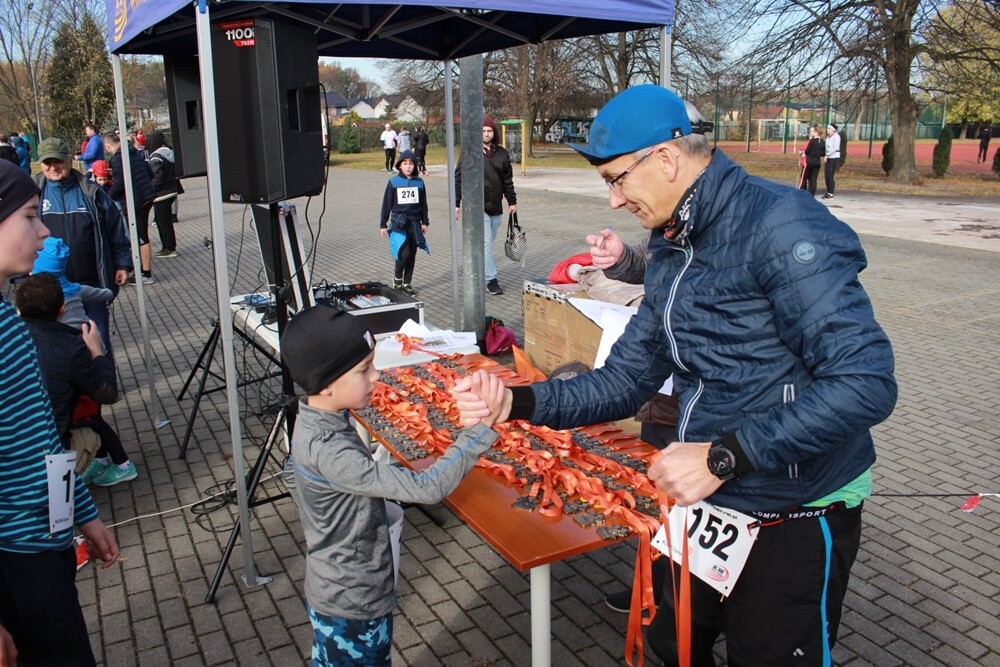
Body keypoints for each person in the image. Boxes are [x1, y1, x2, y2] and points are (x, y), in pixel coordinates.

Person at [454, 84, 897, 667]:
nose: (614, 201)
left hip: (793, 504)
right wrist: (516, 404)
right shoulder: (671, 241)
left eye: (616, 180)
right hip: (706, 498)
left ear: (664, 159)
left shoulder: (784, 225)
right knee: (674, 644)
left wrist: (723, 457)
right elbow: (625, 380)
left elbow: (865, 383)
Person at [279, 304, 505, 666]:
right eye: (363, 370)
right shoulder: (331, 452)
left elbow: (292, 472)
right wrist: (481, 430)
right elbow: (427, 488)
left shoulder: (313, 421)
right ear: (326, 384)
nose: (376, 376)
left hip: (334, 588)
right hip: (353, 603)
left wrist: (330, 513)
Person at [0, 158, 120, 666]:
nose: (45, 229)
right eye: (30, 216)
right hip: (14, 564)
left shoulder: (8, 316)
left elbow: (42, 438)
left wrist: (82, 514)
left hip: (47, 546)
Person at [32, 138, 132, 359]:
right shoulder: (33, 194)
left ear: (69, 160)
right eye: (47, 163)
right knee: (58, 350)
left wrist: (122, 263)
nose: (53, 167)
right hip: (50, 289)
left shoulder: (91, 192)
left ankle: (105, 380)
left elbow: (116, 229)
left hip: (91, 283)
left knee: (98, 342)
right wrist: (19, 278)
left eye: (58, 161)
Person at [454, 115, 518, 296]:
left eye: (489, 130)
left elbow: (507, 180)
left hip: (496, 206)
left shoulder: (502, 153)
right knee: (486, 245)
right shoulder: (470, 152)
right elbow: (459, 177)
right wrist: (457, 202)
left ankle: (472, 266)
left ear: (494, 133)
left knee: (485, 244)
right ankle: (491, 280)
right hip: (477, 207)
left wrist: (512, 201)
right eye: (483, 131)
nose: (486, 134)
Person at [104, 131, 156, 285]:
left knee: (140, 236)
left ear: (107, 146)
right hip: (146, 196)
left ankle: (146, 273)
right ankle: (140, 269)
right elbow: (149, 172)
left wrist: (107, 198)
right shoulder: (131, 151)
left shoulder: (117, 158)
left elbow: (119, 184)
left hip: (137, 201)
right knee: (138, 234)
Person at [379, 149, 429, 296]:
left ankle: (407, 283)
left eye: (411, 164)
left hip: (414, 223)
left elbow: (423, 204)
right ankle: (397, 280)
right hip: (399, 223)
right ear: (400, 165)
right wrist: (383, 224)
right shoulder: (393, 182)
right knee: (404, 253)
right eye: (405, 163)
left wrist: (425, 222)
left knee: (412, 254)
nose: (408, 166)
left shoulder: (419, 182)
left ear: (415, 166)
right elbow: (386, 204)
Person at [146, 131, 180, 258]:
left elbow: (157, 177)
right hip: (171, 190)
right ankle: (168, 247)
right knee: (166, 222)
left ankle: (169, 248)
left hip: (161, 194)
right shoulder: (169, 152)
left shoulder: (156, 156)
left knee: (163, 223)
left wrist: (150, 189)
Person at [800, 125, 825, 196]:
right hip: (817, 162)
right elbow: (823, 153)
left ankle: (803, 191)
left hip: (809, 162)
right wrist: (818, 153)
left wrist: (807, 152)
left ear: (816, 132)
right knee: (813, 179)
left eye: (813, 131)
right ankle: (812, 194)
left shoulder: (812, 141)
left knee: (805, 177)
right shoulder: (823, 142)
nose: (812, 133)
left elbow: (807, 151)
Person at [823, 122, 841, 199]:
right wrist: (825, 154)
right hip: (828, 157)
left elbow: (835, 148)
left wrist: (827, 154)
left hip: (834, 157)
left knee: (830, 175)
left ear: (832, 130)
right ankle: (828, 191)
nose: (827, 130)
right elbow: (827, 147)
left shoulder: (836, 137)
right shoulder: (828, 137)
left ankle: (831, 193)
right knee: (826, 175)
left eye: (829, 128)